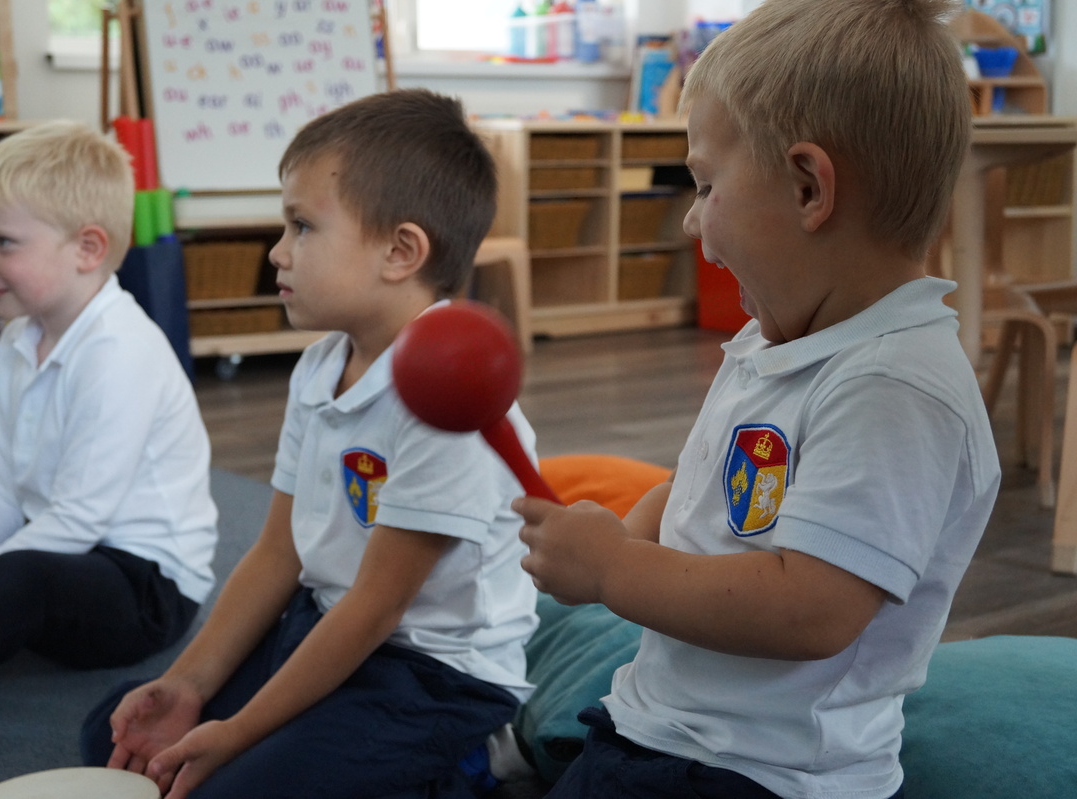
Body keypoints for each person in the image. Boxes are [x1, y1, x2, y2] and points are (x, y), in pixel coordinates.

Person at [515, 1, 1001, 797]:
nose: (689, 221)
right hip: (666, 731)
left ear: (809, 187)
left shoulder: (894, 385)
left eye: (706, 185)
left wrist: (612, 570)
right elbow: (702, 491)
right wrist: (601, 538)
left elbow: (809, 608)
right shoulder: (781, 340)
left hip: (761, 774)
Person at [80, 89, 540, 799]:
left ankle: (466, 771)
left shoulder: (448, 388)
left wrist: (237, 731)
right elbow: (277, 552)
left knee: (225, 783)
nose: (277, 250)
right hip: (325, 624)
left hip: (430, 679)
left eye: (301, 226)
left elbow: (377, 608)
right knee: (125, 736)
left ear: (400, 251)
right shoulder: (322, 365)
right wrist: (186, 683)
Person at [0, 120, 218, 696]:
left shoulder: (120, 350)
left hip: (144, 588)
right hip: (54, 539)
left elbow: (79, 520)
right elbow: (2, 490)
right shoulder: (18, 339)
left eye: (3, 242)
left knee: (16, 578)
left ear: (87, 248)